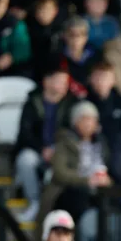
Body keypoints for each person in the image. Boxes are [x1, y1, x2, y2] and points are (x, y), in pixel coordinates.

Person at [13, 64, 78, 224]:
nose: (63, 86)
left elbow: (73, 133)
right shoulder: (32, 103)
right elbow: (24, 134)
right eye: (59, 81)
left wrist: (57, 151)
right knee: (25, 160)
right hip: (37, 150)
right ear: (46, 82)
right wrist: (42, 149)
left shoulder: (71, 104)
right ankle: (34, 202)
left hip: (62, 152)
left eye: (65, 82)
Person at [41, 100, 112, 227]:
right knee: (80, 196)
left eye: (91, 119)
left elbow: (110, 169)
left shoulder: (103, 144)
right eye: (84, 119)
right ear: (75, 122)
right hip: (67, 191)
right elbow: (60, 172)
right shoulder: (64, 141)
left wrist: (107, 181)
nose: (88, 124)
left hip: (98, 191)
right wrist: (87, 181)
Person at [86, 60, 121, 139]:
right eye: (97, 77)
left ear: (114, 80)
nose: (101, 81)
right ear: (91, 79)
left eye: (105, 77)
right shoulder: (83, 100)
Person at [58, 16, 100, 99]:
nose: (76, 38)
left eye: (81, 34)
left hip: (92, 99)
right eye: (72, 34)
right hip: (64, 100)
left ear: (86, 37)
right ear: (64, 35)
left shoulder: (96, 56)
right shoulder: (57, 57)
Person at [27, 0, 65, 80]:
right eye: (41, 9)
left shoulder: (62, 29)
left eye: (48, 9)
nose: (45, 13)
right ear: (36, 13)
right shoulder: (28, 30)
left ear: (55, 11)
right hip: (34, 71)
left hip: (56, 72)